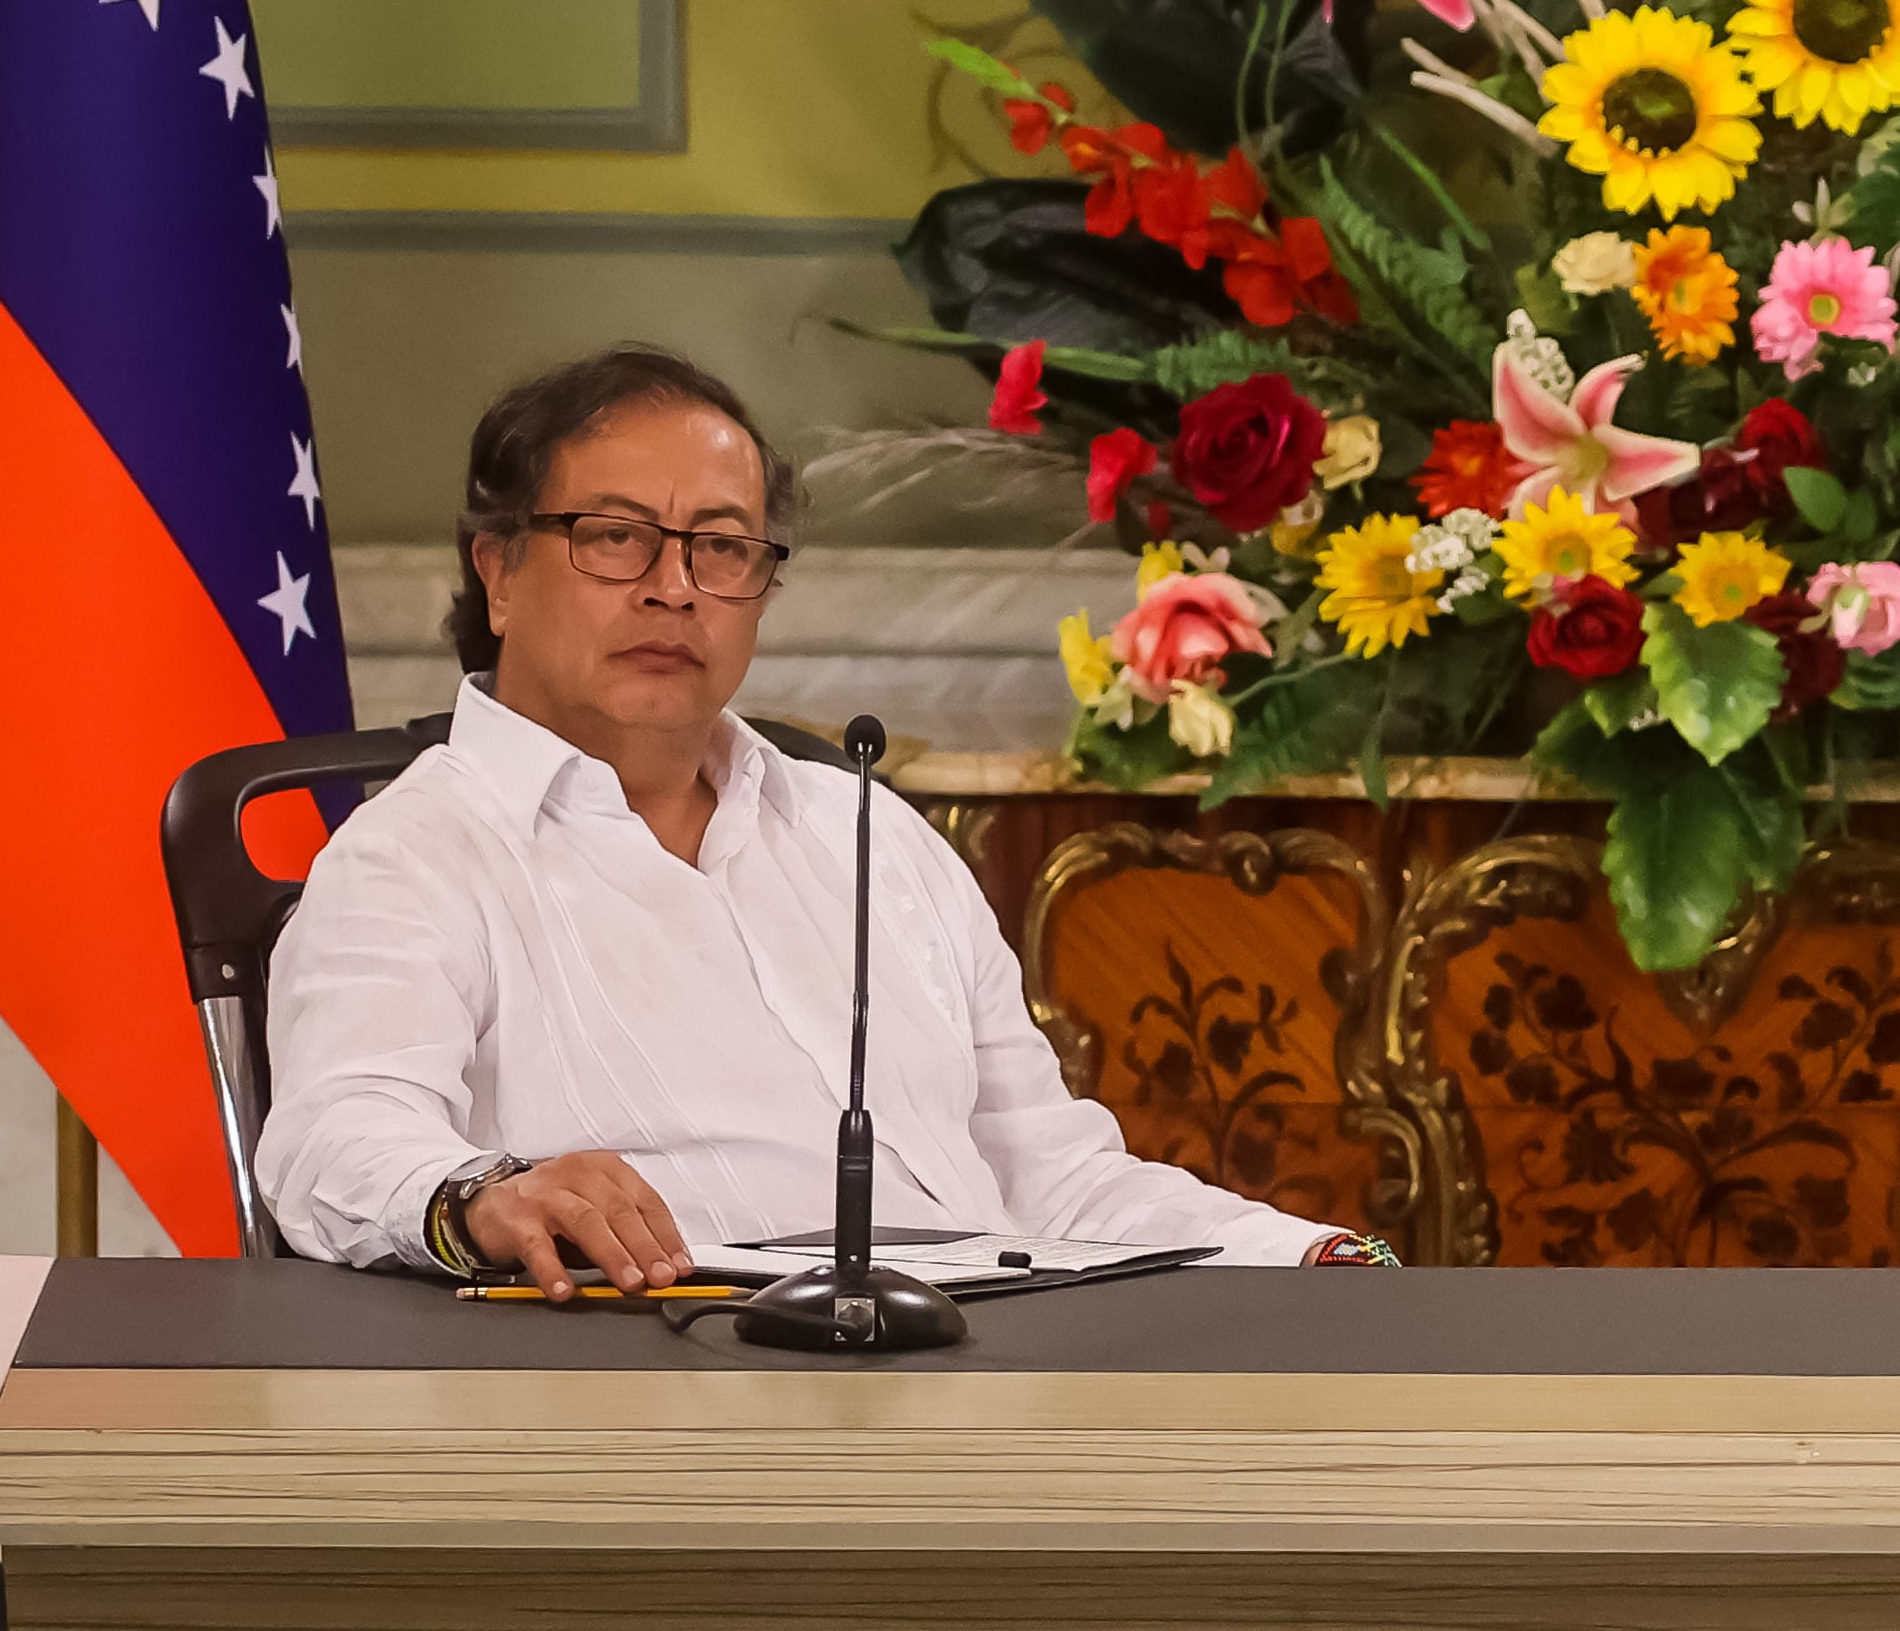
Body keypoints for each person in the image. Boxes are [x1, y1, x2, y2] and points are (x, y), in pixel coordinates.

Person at [256, 346, 1367, 1294]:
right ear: (497, 571)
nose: (673, 587)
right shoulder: (414, 854)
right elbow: (334, 1142)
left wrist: (1308, 1259)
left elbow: (1052, 1179)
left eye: (722, 546)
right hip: (648, 1397)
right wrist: (482, 1197)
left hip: (983, 1386)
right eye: (614, 537)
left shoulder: (871, 837)